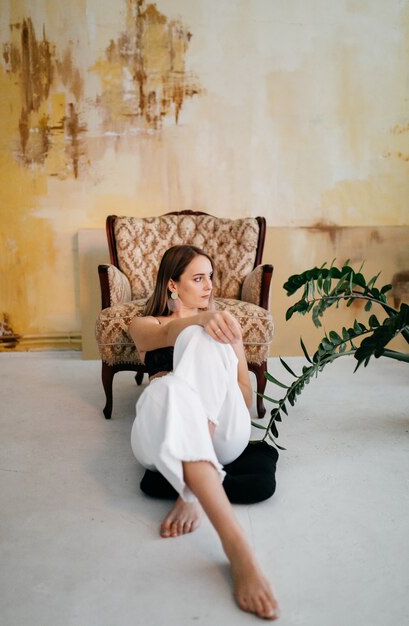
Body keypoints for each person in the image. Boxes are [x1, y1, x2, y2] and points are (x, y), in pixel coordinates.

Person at [129, 244, 280, 620]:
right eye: (198, 278)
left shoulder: (223, 327)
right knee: (166, 388)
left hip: (225, 429)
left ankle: (224, 531)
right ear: (172, 287)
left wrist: (222, 368)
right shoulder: (145, 324)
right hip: (162, 428)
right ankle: (204, 486)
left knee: (204, 340)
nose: (209, 285)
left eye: (211, 276)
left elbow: (245, 396)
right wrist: (198, 324)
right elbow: (152, 341)